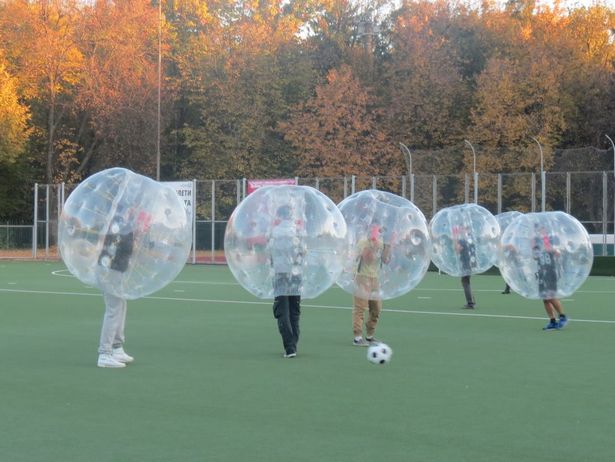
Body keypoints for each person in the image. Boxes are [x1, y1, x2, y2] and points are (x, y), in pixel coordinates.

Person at [96, 214, 136, 368]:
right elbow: (121, 247)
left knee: (121, 307)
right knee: (113, 310)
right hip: (109, 271)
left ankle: (117, 348)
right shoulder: (118, 223)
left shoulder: (125, 223)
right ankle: (104, 354)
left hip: (117, 271)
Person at [270, 205, 304, 358]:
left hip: (280, 273)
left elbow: (270, 253)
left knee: (282, 310)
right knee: (294, 310)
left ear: (280, 215)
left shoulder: (275, 232)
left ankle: (289, 347)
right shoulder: (297, 232)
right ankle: (293, 344)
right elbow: (302, 252)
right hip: (295, 273)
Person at [352, 221, 391, 346]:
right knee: (360, 307)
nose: (375, 230)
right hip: (362, 277)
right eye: (373, 228)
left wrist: (389, 245)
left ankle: (370, 336)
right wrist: (372, 245)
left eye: (377, 228)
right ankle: (357, 337)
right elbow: (368, 259)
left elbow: (385, 260)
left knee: (376, 308)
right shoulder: (363, 242)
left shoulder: (380, 243)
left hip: (375, 279)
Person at [533, 226, 567, 330]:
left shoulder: (549, 241)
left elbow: (557, 253)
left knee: (550, 296)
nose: (540, 232)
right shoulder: (536, 243)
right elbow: (535, 257)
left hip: (550, 272)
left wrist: (547, 243)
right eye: (538, 230)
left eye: (542, 230)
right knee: (545, 299)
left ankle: (562, 317)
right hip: (542, 273)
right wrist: (534, 246)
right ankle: (552, 321)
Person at [454, 225, 476, 309]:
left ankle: (470, 303)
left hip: (466, 264)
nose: (460, 231)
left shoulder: (463, 240)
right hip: (471, 263)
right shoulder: (470, 239)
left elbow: (457, 249)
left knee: (465, 282)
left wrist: (455, 237)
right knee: (467, 282)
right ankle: (472, 301)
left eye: (462, 229)